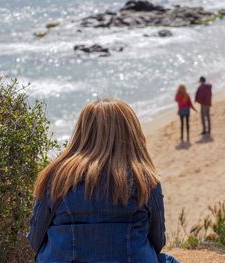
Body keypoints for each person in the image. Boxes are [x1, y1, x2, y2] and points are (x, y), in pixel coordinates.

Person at [27, 98, 179, 263]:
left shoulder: (55, 177)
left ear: (82, 132)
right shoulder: (144, 179)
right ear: (131, 133)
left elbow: (35, 241)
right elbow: (158, 242)